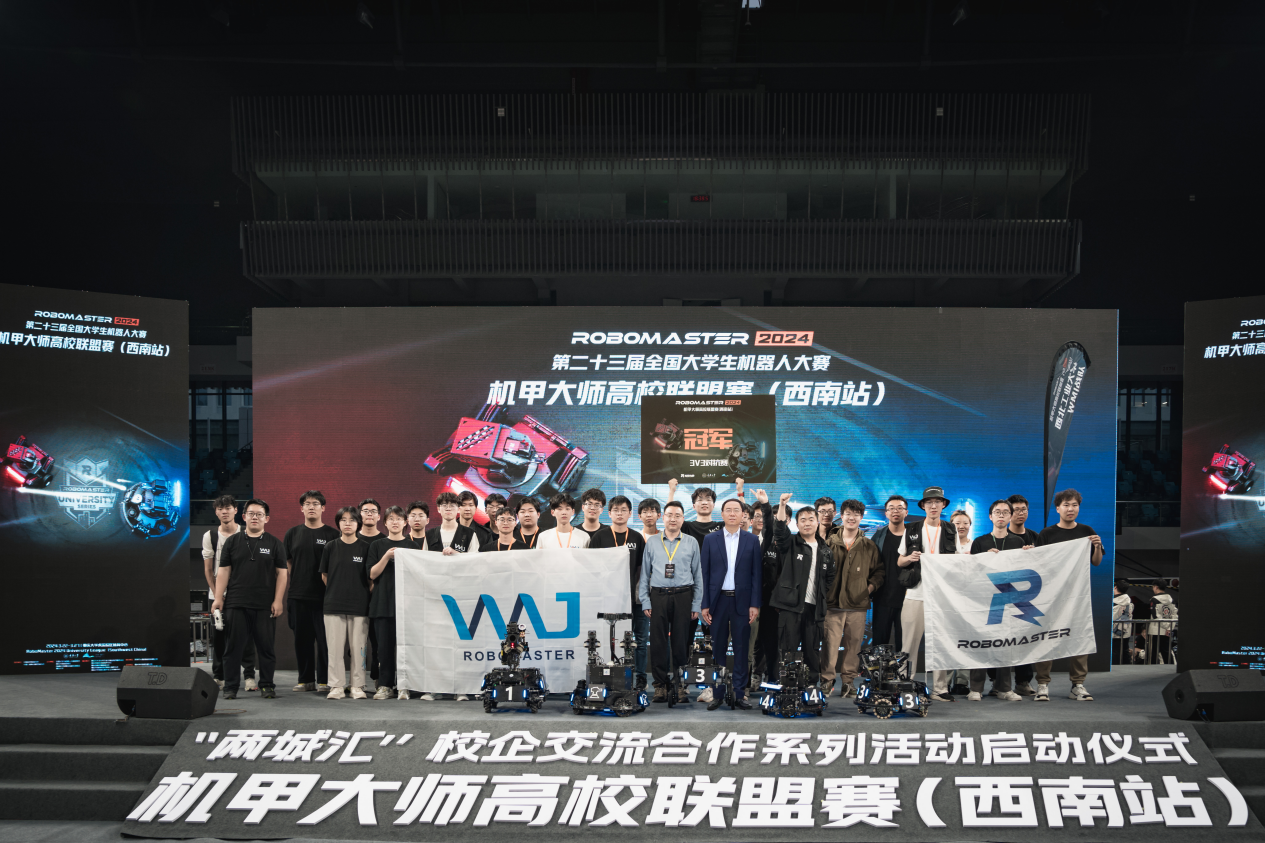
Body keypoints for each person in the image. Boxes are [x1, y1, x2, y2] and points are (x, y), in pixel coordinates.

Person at [211, 499, 287, 701]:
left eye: (259, 514)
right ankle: (231, 687)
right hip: (236, 603)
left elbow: (282, 574)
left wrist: (278, 600)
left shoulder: (275, 543)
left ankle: (267, 685)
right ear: (244, 517)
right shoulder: (232, 542)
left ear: (266, 519)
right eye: (251, 514)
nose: (255, 517)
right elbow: (223, 571)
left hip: (264, 605)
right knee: (232, 649)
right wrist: (218, 598)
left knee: (266, 648)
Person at [1034, 488, 1104, 702]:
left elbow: (1096, 562)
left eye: (1074, 505)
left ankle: (1078, 684)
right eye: (1066, 505)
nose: (1070, 509)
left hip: (1077, 595)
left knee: (1079, 637)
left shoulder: (1086, 531)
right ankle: (1042, 684)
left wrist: (1097, 546)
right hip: (1051, 595)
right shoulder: (1047, 533)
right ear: (1058, 508)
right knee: (1046, 638)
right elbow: (1037, 563)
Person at [961, 500, 1028, 702]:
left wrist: (1030, 555)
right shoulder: (980, 542)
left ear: (1010, 516)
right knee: (980, 643)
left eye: (1005, 512)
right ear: (990, 516)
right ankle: (975, 688)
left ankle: (1004, 688)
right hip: (983, 599)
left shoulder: (1018, 542)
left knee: (1006, 644)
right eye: (997, 512)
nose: (1001, 515)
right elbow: (971, 571)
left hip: (1008, 599)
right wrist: (984, 558)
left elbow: (1023, 571)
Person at [699, 498, 761, 710]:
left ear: (743, 514)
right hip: (717, 601)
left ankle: (740, 694)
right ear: (722, 514)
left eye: (737, 510)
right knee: (718, 648)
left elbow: (756, 575)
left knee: (741, 649)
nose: (732, 513)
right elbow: (704, 574)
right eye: (728, 510)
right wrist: (705, 604)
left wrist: (754, 604)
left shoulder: (752, 540)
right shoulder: (710, 539)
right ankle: (717, 694)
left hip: (742, 602)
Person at [898, 486, 957, 701]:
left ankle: (940, 688)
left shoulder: (950, 529)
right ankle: (905, 684)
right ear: (923, 506)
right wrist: (910, 558)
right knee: (909, 644)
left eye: (937, 502)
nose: (933, 506)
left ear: (943, 505)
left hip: (941, 595)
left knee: (941, 643)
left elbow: (959, 560)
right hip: (915, 593)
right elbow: (900, 561)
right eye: (929, 502)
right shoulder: (911, 528)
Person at [640, 500, 702, 704]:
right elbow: (645, 574)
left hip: (684, 595)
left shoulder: (691, 542)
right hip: (658, 596)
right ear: (663, 517)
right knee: (658, 642)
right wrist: (645, 601)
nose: (673, 519)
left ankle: (680, 685)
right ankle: (660, 685)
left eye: (677, 515)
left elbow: (698, 575)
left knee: (681, 643)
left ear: (683, 519)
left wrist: (696, 604)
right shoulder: (652, 542)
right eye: (669, 515)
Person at [820, 499, 883, 699]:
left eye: (856, 514)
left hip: (857, 605)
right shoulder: (829, 543)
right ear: (842, 516)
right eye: (848, 513)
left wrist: (867, 589)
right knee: (830, 646)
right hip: (832, 605)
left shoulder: (869, 545)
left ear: (861, 517)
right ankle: (827, 681)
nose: (852, 517)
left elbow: (879, 572)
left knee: (854, 646)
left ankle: (848, 682)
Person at [769, 495, 834, 684]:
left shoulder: (825, 551)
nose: (807, 523)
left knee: (812, 651)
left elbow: (830, 577)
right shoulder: (789, 543)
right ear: (796, 524)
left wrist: (820, 595)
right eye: (803, 520)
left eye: (811, 519)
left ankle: (811, 687)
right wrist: (782, 505)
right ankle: (786, 686)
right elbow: (779, 530)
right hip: (790, 607)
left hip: (815, 610)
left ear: (818, 522)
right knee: (787, 650)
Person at [283, 490, 339, 693]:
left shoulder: (333, 534)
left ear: (323, 508)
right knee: (302, 640)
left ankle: (324, 680)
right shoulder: (292, 533)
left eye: (316, 503)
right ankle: (305, 679)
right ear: (302, 508)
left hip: (325, 597)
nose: (311, 507)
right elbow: (288, 561)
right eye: (307, 504)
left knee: (325, 641)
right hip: (298, 596)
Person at [591, 495, 648, 687]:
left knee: (639, 640)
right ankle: (610, 675)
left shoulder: (637, 537)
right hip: (608, 599)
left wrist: (635, 592)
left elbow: (641, 569)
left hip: (634, 599)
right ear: (609, 513)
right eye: (615, 510)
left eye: (624, 510)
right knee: (610, 638)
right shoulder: (600, 537)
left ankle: (641, 677)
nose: (620, 513)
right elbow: (593, 567)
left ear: (630, 513)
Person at [201, 494, 256, 690]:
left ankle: (249, 676)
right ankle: (219, 676)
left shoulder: (246, 533)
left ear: (236, 511)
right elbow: (209, 570)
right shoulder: (210, 536)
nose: (224, 511)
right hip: (217, 596)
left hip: (242, 594)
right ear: (216, 512)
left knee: (247, 637)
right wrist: (218, 595)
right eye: (220, 508)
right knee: (219, 637)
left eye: (228, 508)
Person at [320, 506, 371, 700]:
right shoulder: (330, 547)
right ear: (338, 523)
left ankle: (357, 685)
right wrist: (337, 591)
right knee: (334, 649)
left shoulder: (366, 547)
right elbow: (325, 575)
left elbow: (371, 578)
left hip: (359, 606)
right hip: (333, 605)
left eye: (352, 520)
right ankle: (336, 686)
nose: (347, 523)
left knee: (359, 649)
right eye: (343, 520)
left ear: (358, 523)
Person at [367, 506, 419, 700]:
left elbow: (418, 575)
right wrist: (387, 557)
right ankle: (385, 685)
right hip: (382, 604)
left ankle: (406, 686)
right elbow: (372, 574)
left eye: (399, 519)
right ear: (385, 523)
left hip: (408, 606)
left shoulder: (412, 546)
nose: (395, 522)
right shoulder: (377, 545)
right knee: (384, 649)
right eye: (391, 519)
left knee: (408, 649)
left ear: (405, 523)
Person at [1003, 494, 1040, 695]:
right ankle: (997, 682)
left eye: (1023, 509)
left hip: (1028, 598)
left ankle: (1023, 681)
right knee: (1000, 641)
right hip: (1003, 596)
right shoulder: (999, 535)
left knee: (1026, 641)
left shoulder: (1036, 537)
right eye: (1016, 510)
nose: (1020, 513)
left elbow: (1045, 564)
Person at [868, 495, 910, 649]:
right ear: (886, 513)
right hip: (882, 598)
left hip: (907, 598)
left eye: (899, 508)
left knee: (904, 646)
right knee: (879, 644)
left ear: (906, 512)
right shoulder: (879, 535)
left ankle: (903, 667)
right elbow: (870, 565)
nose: (895, 511)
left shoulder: (914, 536)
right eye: (891, 508)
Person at [1147, 581, 1177, 664]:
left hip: (1155, 630)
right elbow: (1175, 615)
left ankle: (1150, 670)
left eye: (1153, 587)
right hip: (1167, 631)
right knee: (1167, 652)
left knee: (1152, 653)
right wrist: (1169, 628)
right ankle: (1171, 669)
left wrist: (1165, 626)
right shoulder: (1171, 599)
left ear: (1156, 587)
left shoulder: (1154, 599)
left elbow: (1156, 616)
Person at [1112, 580, 1135, 665]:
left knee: (1115, 651)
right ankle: (1127, 667)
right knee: (1125, 650)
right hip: (1126, 631)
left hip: (1114, 631)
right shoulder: (1129, 601)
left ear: (1115, 587)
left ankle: (1114, 668)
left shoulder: (1113, 602)